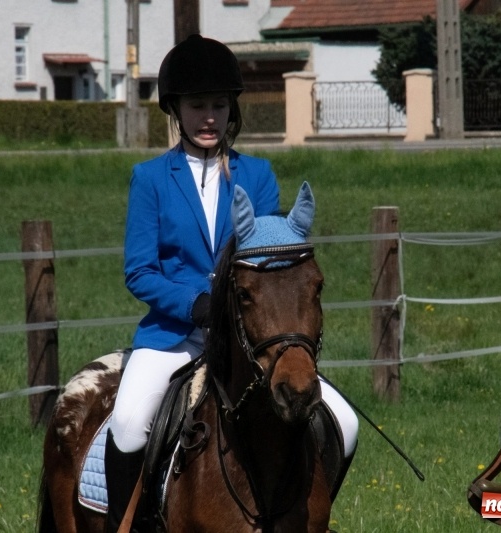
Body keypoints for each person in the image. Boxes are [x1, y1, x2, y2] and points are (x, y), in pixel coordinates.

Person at [104, 34, 359, 531]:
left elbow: (268, 265)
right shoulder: (151, 178)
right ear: (175, 110)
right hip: (174, 337)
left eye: (218, 106)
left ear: (231, 110)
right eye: (197, 105)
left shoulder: (258, 176)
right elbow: (139, 271)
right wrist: (196, 305)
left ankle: (308, 512)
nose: (208, 117)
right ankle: (129, 523)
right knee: (130, 423)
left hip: (250, 340)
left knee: (345, 425)